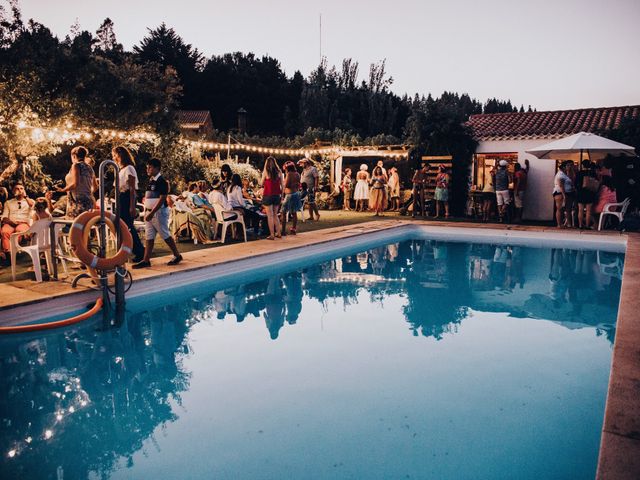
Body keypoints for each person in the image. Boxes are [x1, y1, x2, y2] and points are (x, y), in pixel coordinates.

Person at [133, 158, 182, 268]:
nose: (148, 169)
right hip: (149, 213)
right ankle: (146, 260)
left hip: (158, 212)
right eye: (147, 167)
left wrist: (152, 212)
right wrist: (147, 211)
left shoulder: (162, 181)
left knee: (165, 234)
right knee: (149, 236)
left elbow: (162, 199)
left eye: (150, 167)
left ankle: (177, 255)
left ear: (157, 168)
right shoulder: (151, 181)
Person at [112, 146, 145, 263]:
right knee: (123, 226)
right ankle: (132, 250)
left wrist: (132, 205)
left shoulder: (129, 168)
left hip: (127, 198)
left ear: (120, 155)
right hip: (121, 198)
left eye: (115, 155)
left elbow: (132, 189)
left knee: (128, 226)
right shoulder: (121, 170)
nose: (113, 157)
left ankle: (140, 251)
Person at [57, 146, 97, 218]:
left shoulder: (76, 165)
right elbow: (96, 187)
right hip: (88, 200)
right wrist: (86, 193)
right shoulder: (90, 168)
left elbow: (75, 183)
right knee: (86, 224)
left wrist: (63, 190)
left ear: (74, 156)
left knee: (76, 225)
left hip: (77, 201)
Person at [1, 183, 34, 260]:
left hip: (23, 223)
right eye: (17, 188)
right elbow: (4, 217)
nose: (19, 190)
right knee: (5, 231)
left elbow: (33, 206)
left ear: (24, 190)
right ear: (13, 191)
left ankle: (14, 251)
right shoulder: (8, 202)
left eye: (21, 188)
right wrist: (12, 223)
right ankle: (8, 253)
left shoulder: (29, 201)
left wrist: (25, 197)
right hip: (11, 223)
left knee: (18, 231)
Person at [261, 156, 283, 240]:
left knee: (269, 216)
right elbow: (282, 185)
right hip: (277, 195)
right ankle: (279, 233)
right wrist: (282, 196)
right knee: (275, 215)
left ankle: (272, 235)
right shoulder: (279, 171)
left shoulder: (266, 171)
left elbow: (261, 182)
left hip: (268, 195)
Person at [575, 159, 599, 229]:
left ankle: (580, 225)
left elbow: (575, 184)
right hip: (590, 193)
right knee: (589, 210)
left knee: (580, 210)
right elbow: (596, 182)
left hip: (581, 193)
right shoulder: (592, 173)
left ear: (582, 165)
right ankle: (587, 225)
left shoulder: (579, 173)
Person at [553, 161, 575, 228]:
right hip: (561, 193)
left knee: (568, 209)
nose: (569, 167)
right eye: (568, 165)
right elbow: (561, 184)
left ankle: (569, 224)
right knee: (560, 208)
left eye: (570, 165)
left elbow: (572, 179)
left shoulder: (565, 174)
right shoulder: (560, 174)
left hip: (568, 193)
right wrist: (564, 195)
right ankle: (559, 224)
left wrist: (570, 171)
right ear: (563, 167)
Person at [282, 161, 301, 235]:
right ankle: (294, 229)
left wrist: (283, 182)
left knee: (283, 212)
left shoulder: (289, 174)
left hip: (289, 195)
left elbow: (287, 185)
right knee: (294, 213)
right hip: (296, 194)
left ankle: (283, 231)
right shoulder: (297, 174)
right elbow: (298, 184)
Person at [513, 159, 530, 223]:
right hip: (523, 190)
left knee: (518, 205)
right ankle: (519, 218)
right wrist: (527, 164)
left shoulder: (518, 173)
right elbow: (527, 169)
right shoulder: (523, 172)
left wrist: (516, 190)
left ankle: (518, 218)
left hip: (518, 190)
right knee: (520, 203)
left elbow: (518, 181)